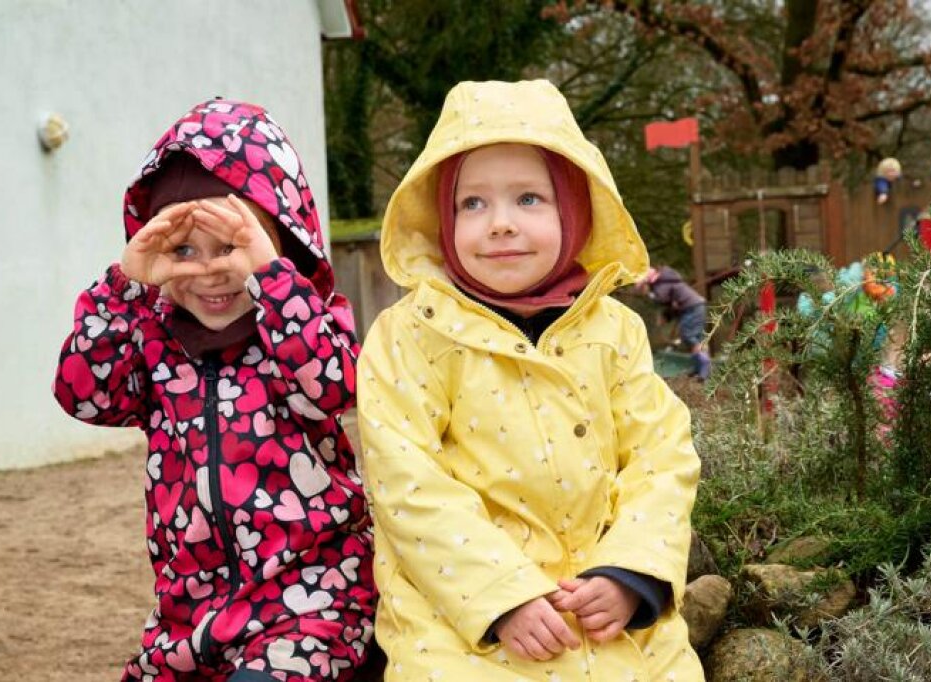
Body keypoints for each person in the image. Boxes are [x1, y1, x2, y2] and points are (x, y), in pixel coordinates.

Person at [356, 80, 703, 681]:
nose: (499, 225)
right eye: (472, 204)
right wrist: (500, 596)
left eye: (528, 200)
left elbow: (661, 456)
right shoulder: (409, 337)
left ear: (573, 210)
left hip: (603, 607)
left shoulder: (614, 331)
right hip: (464, 621)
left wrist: (629, 575)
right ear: (442, 219)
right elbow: (406, 485)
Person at [53, 99, 376, 681]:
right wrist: (124, 287)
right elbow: (84, 395)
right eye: (182, 251)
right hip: (189, 615)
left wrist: (274, 281)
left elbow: (335, 387)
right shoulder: (151, 336)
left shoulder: (304, 322)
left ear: (279, 239)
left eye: (229, 248)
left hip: (310, 601)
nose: (207, 272)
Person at [634, 266, 711, 380]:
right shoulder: (667, 281)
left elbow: (662, 299)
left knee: (689, 337)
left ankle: (704, 369)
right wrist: (667, 317)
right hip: (694, 307)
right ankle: (699, 369)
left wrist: (647, 293)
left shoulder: (661, 284)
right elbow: (673, 304)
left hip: (692, 308)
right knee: (695, 338)